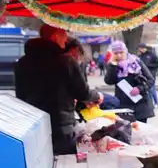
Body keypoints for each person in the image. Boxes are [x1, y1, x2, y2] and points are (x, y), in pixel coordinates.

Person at [14, 25, 101, 155]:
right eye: (64, 37)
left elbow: (20, 95)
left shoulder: (22, 63)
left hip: (34, 128)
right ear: (55, 37)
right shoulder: (65, 61)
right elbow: (83, 93)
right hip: (60, 128)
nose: (65, 41)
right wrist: (97, 96)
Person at [104, 40, 156, 122]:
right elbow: (109, 81)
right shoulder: (112, 65)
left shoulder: (136, 62)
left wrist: (139, 89)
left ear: (125, 51)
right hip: (123, 106)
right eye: (116, 53)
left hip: (140, 104)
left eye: (121, 52)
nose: (119, 55)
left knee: (140, 131)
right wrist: (113, 65)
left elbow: (150, 79)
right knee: (126, 131)